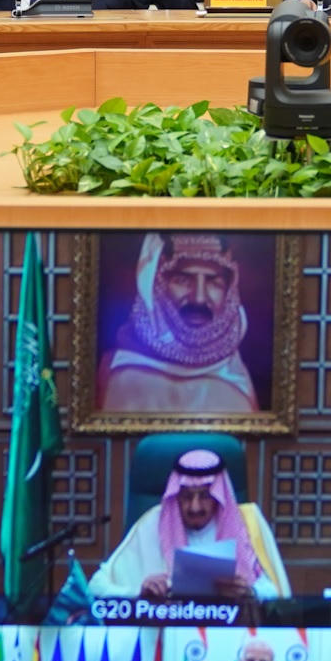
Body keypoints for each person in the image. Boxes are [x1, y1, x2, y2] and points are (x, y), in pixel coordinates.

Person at [91, 448, 290, 601]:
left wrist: (250, 592)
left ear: (218, 496)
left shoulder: (247, 522)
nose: (195, 507)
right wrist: (139, 592)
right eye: (186, 497)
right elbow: (95, 587)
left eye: (204, 496)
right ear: (175, 495)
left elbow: (278, 594)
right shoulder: (153, 523)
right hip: (168, 631)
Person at [98, 233, 260, 413]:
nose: (198, 298)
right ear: (155, 284)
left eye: (214, 283)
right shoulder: (119, 375)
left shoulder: (236, 378)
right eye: (182, 280)